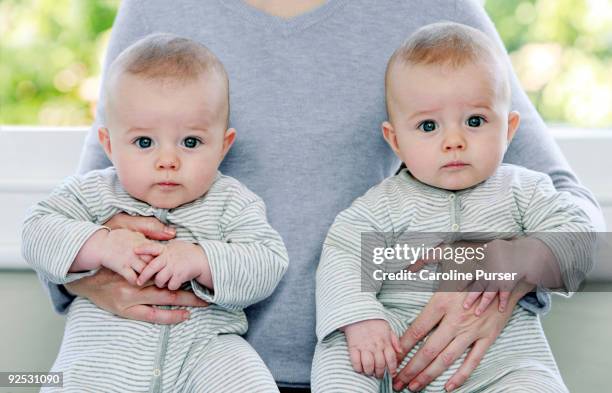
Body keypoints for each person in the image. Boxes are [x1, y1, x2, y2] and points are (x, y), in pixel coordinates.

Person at [40, 1, 604, 391]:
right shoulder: (156, 9)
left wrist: (496, 271)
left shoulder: (438, 9)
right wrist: (93, 266)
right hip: (199, 365)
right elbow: (92, 197)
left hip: (388, 371)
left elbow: (566, 202)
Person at [311, 22, 595, 393]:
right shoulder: (382, 205)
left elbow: (583, 241)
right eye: (428, 126)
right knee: (342, 359)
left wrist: (521, 257)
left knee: (533, 382)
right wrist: (361, 319)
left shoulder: (524, 190)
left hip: (502, 363)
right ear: (395, 141)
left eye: (475, 121)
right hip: (395, 354)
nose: (454, 141)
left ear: (509, 130)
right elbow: (343, 257)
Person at [23, 33, 288, 392]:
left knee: (245, 376)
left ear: (223, 146)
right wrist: (102, 244)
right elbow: (36, 232)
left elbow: (268, 262)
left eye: (191, 142)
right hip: (104, 353)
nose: (167, 161)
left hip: (202, 353)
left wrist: (202, 260)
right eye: (144, 142)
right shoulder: (92, 193)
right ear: (110, 145)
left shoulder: (231, 202)